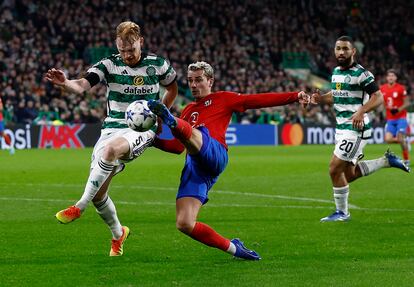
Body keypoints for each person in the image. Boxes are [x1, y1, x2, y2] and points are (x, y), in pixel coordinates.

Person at [147, 61, 309, 260]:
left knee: (199, 133)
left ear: (210, 81)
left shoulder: (223, 98)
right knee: (184, 223)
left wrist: (294, 96)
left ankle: (170, 119)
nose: (193, 85)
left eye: (198, 80)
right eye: (190, 81)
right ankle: (234, 248)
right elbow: (177, 148)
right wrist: (151, 140)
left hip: (215, 153)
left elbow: (256, 100)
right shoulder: (188, 110)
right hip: (196, 169)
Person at [45, 21, 178, 256]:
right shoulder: (109, 64)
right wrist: (65, 83)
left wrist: (160, 115)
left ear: (141, 42)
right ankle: (118, 235)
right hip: (110, 129)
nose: (126, 55)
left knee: (110, 152)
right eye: (122, 50)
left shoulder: (158, 65)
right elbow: (82, 85)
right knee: (99, 194)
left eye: (131, 50)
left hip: (140, 130)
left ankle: (78, 207)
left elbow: (172, 88)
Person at [309, 36, 410, 222]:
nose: (341, 52)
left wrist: (361, 111)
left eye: (345, 49)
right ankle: (386, 161)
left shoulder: (362, 74)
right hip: (341, 128)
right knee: (349, 174)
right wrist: (321, 99)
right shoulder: (336, 72)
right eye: (338, 48)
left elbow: (378, 97)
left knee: (333, 169)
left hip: (356, 128)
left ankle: (342, 212)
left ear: (353, 51)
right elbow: (337, 94)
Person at [380, 69, 411, 166]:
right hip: (390, 119)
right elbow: (382, 102)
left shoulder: (401, 88)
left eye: (393, 76)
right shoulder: (382, 88)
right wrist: (381, 110)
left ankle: (406, 160)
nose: (390, 77)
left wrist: (398, 109)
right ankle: (405, 142)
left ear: (396, 78)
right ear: (386, 77)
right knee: (388, 139)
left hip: (401, 117)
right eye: (389, 76)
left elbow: (407, 103)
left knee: (400, 137)